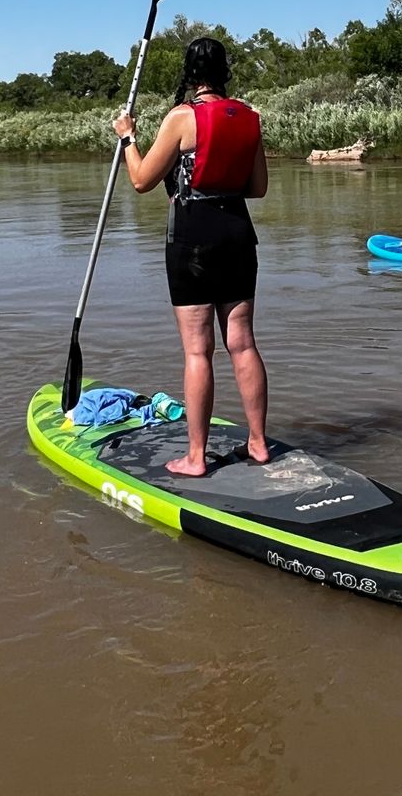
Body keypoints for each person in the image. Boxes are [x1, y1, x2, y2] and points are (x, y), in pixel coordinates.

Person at [113, 37, 270, 477]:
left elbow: (143, 180)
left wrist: (128, 138)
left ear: (190, 72)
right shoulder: (249, 117)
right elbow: (257, 189)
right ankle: (257, 443)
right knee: (242, 342)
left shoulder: (183, 117)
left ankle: (196, 458)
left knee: (198, 352)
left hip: (193, 235)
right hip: (238, 233)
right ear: (224, 71)